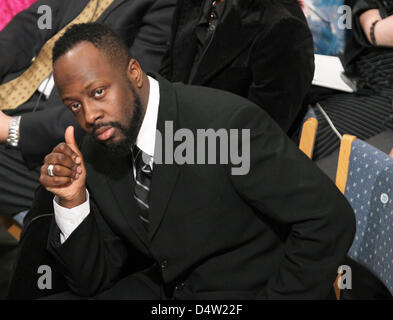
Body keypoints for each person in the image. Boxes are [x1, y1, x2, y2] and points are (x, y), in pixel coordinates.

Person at [37, 22, 355, 299]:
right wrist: (73, 200)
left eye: (98, 92)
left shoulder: (227, 126)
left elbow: (328, 220)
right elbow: (91, 281)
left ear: (133, 73)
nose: (89, 116)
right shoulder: (94, 145)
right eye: (74, 105)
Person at [0, 0, 176, 216]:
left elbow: (122, 101)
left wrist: (14, 128)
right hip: (17, 93)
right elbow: (33, 24)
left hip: (65, 136)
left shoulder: (164, 7)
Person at [160, 0, 315, 139]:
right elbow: (165, 84)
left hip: (222, 161)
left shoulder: (285, 28)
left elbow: (258, 136)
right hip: (167, 145)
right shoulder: (193, 4)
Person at [312, 0, 393, 160]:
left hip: (383, 92)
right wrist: (375, 29)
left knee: (315, 131)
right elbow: (371, 23)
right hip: (357, 73)